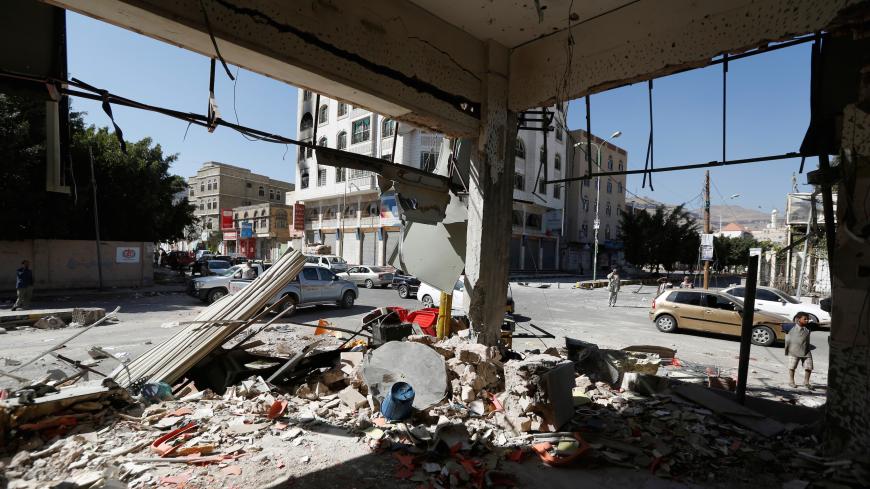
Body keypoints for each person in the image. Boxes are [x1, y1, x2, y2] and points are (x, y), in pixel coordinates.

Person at [785, 312, 814, 389]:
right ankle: (791, 381)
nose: (807, 320)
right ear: (798, 319)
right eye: (805, 319)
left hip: (806, 351)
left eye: (808, 319)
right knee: (792, 367)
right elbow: (778, 324)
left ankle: (806, 382)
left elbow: (821, 324)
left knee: (809, 367)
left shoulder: (809, 327)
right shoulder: (790, 326)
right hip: (793, 350)